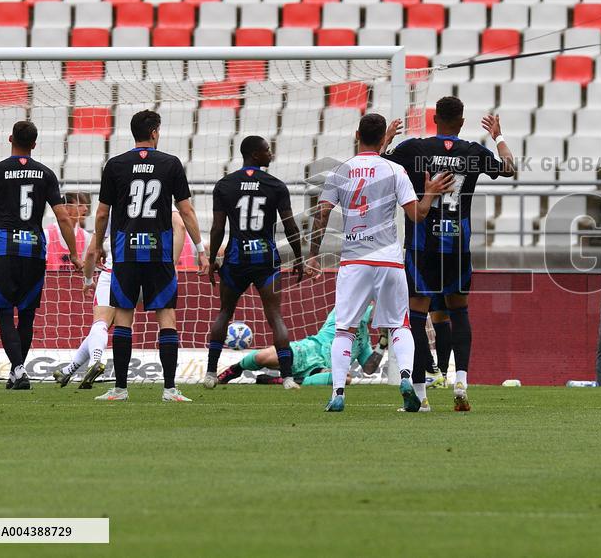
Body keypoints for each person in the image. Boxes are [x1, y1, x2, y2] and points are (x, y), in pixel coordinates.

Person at [305, 112, 453, 412]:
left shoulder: (340, 172)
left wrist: (312, 255)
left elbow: (321, 215)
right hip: (388, 260)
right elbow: (417, 215)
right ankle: (407, 379)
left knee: (344, 329)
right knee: (400, 324)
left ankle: (338, 393)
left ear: (357, 135)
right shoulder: (395, 170)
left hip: (353, 262)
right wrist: (430, 194)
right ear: (383, 137)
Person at [381, 96, 516, 411]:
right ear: (462, 121)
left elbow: (379, 162)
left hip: (421, 246)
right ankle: (461, 381)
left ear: (435, 118)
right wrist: (498, 135)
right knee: (459, 312)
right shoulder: (472, 152)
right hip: (457, 247)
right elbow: (510, 169)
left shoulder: (414, 149)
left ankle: (421, 397)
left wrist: (387, 140)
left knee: (414, 316)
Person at [92, 109, 209, 403]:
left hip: (126, 251)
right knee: (166, 317)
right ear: (154, 132)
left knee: (123, 318)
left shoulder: (115, 165)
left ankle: (120, 389)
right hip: (158, 253)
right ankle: (170, 389)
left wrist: (99, 245)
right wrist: (201, 249)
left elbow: (103, 212)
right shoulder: (170, 164)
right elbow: (186, 211)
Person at [0, 121, 82, 390]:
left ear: (10, 138)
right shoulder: (45, 174)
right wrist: (74, 253)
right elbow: (62, 216)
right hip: (35, 250)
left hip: (5, 248)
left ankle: (19, 369)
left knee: (3, 311)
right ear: (34, 144)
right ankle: (17, 372)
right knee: (26, 314)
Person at [201, 135, 305, 389]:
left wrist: (214, 259)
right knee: (275, 316)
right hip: (265, 260)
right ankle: (289, 378)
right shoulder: (275, 185)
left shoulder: (225, 184)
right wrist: (299, 258)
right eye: (268, 150)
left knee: (224, 313)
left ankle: (211, 374)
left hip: (236, 259)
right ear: (255, 154)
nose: (271, 154)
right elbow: (290, 226)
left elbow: (217, 228)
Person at [53, 210, 192, 389]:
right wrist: (173, 262)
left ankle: (98, 363)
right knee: (165, 322)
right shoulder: (161, 199)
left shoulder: (113, 207)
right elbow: (180, 225)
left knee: (101, 324)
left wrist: (88, 280)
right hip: (154, 272)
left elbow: (90, 253)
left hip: (117, 272)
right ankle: (68, 370)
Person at [216, 306, 382, 386]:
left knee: (345, 379)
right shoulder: (347, 309)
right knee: (262, 357)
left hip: (323, 368)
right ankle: (235, 369)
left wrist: (382, 344)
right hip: (309, 350)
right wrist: (386, 316)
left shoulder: (363, 342)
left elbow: (368, 369)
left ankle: (284, 380)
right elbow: (372, 313)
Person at [45, 193, 90, 271]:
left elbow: (84, 268)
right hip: (51, 281)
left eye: (86, 205)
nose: (86, 209)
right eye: (80, 205)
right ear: (66, 208)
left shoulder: (85, 236)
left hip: (75, 282)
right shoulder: (48, 233)